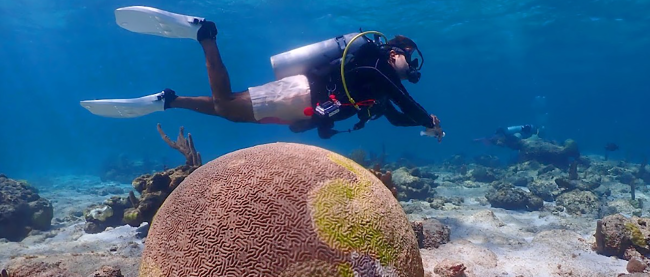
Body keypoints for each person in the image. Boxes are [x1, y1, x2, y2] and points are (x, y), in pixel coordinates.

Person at [81, 7, 445, 141]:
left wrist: (422, 124)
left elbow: (397, 117)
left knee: (232, 110)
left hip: (301, 105)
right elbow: (405, 101)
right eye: (407, 62)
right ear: (396, 52)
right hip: (300, 95)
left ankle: (169, 101)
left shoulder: (380, 79)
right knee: (227, 104)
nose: (407, 70)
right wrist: (428, 118)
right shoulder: (377, 64)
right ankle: (205, 34)